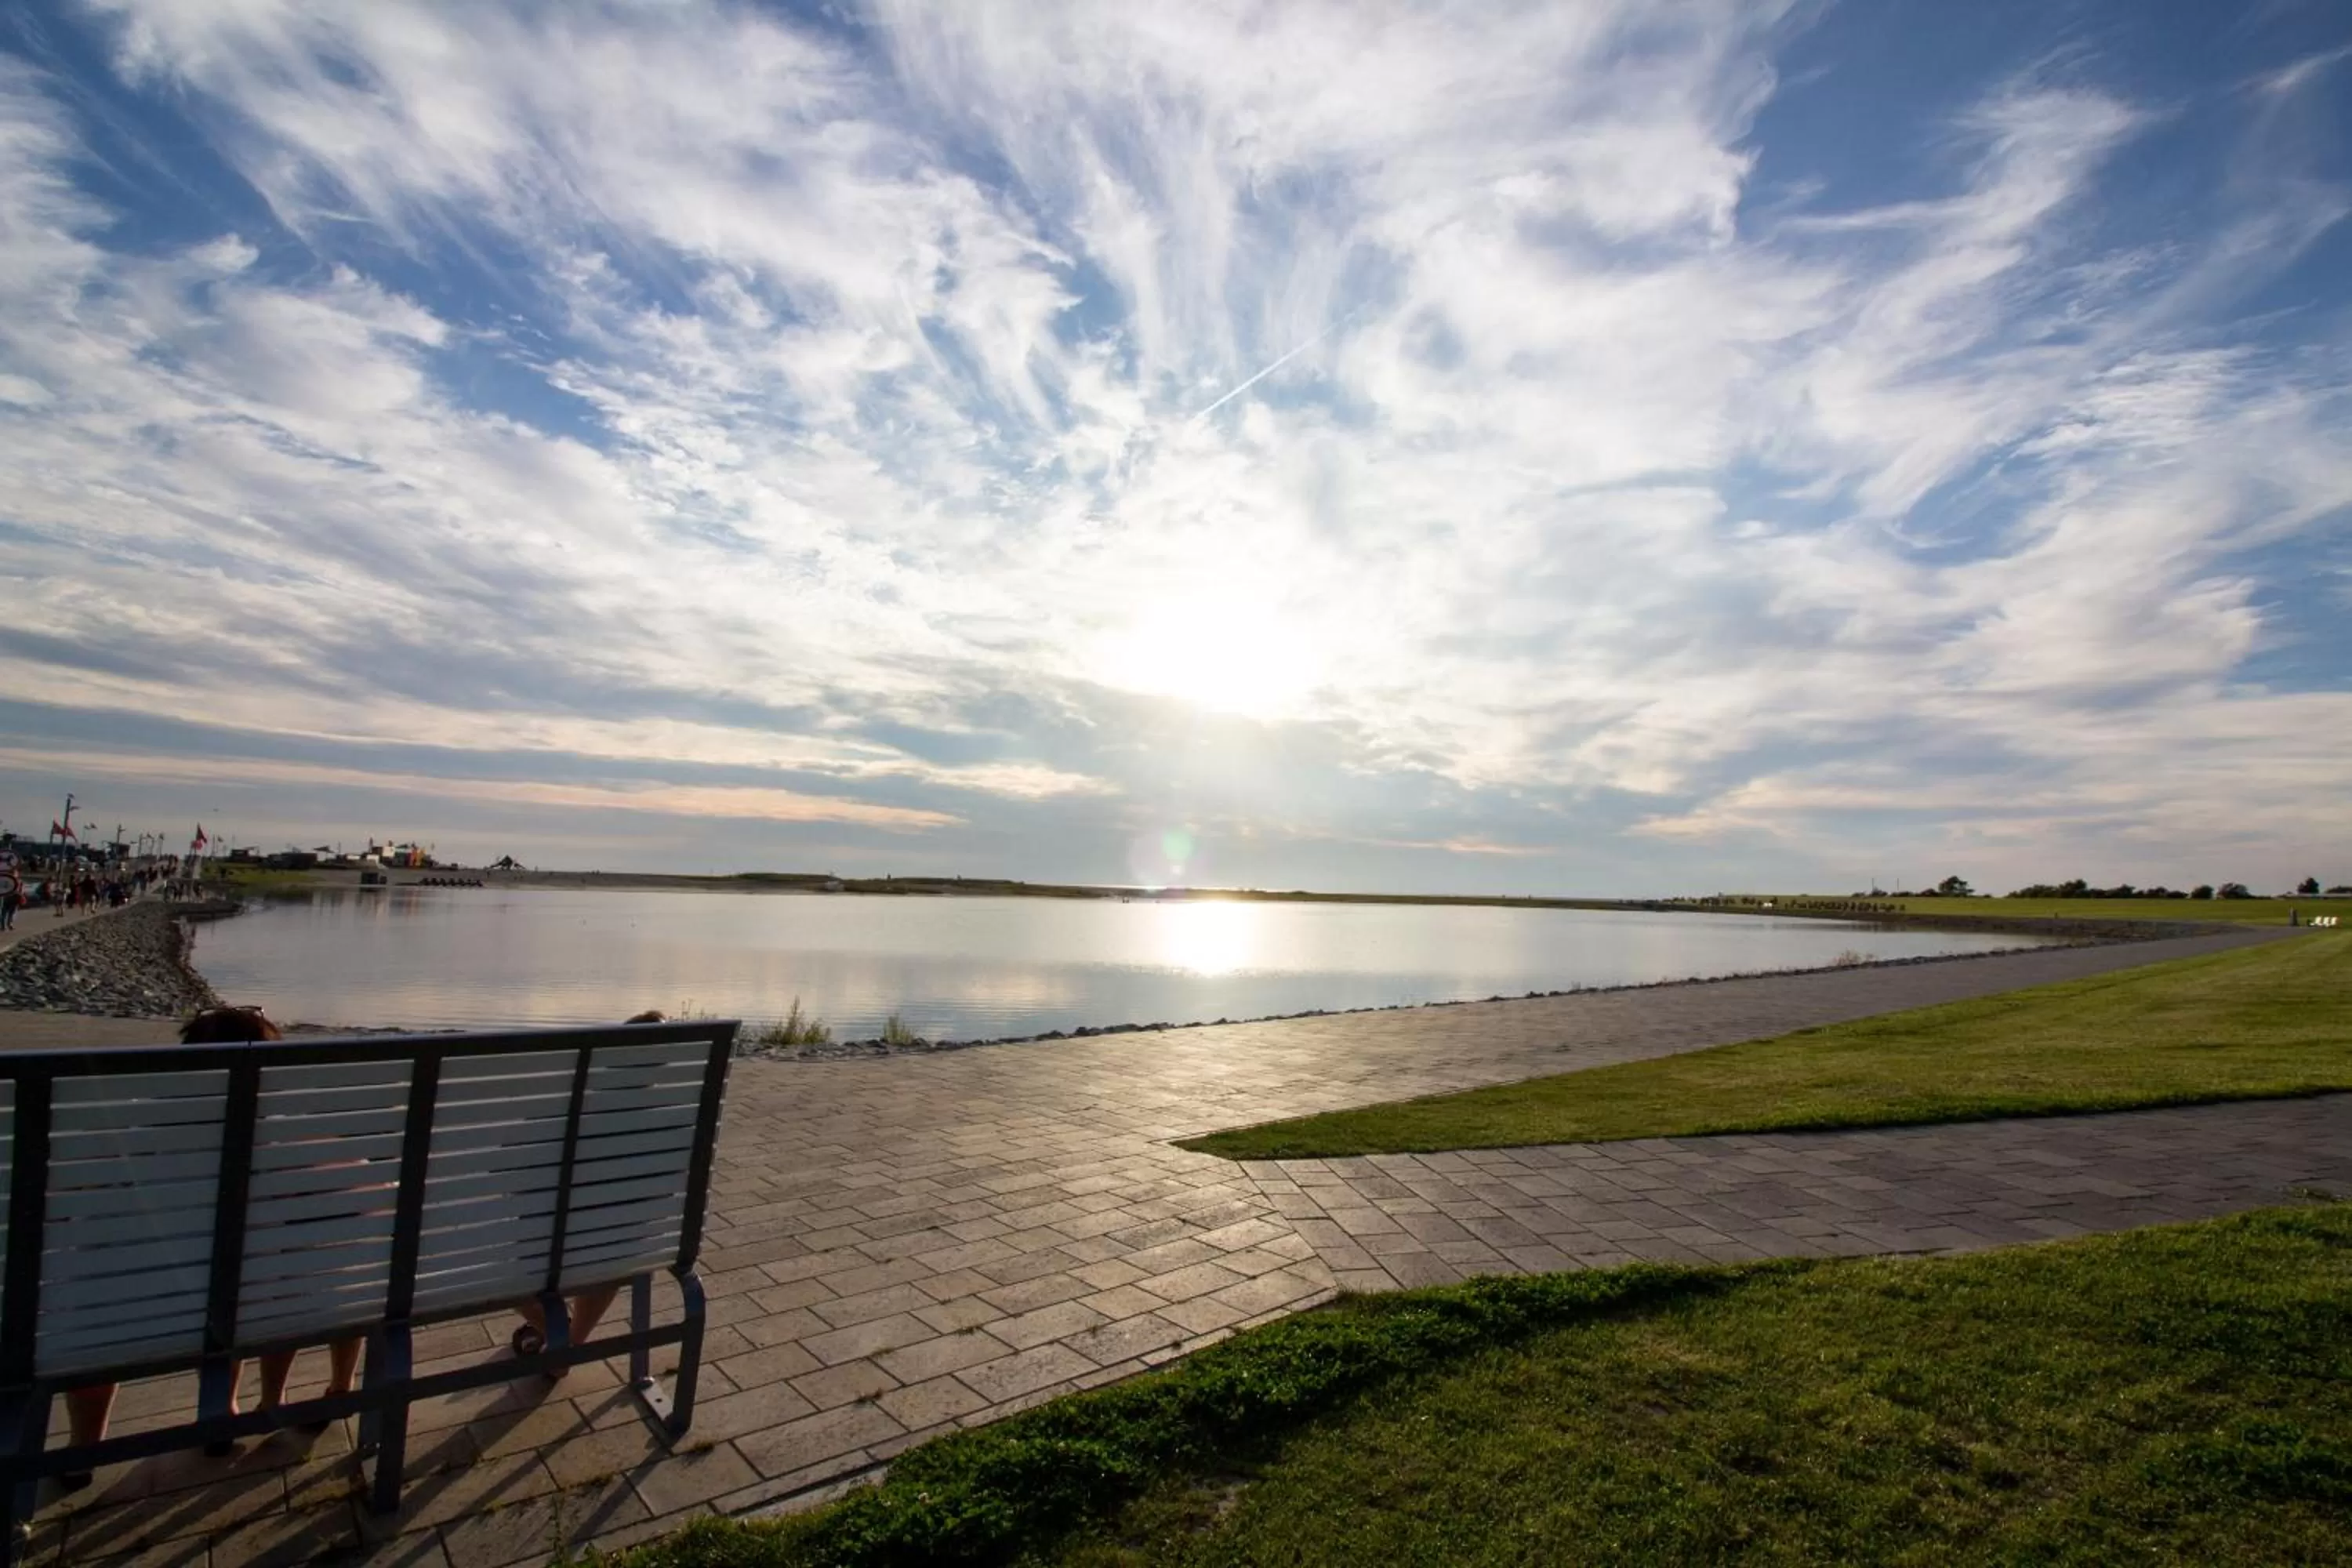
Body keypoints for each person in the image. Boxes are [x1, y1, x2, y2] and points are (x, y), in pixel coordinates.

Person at [60, 1007, 366, 1489]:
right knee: (283, 1276)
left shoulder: (129, 1149)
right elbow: (369, 1189)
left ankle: (83, 1449)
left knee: (94, 1300)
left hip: (129, 1322)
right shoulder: (292, 1148)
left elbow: (79, 1229)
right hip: (260, 1310)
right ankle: (263, 1402)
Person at [508, 1009, 671, 1364]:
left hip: (546, 1251)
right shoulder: (676, 1121)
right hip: (628, 1247)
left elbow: (514, 1182)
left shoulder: (561, 1113)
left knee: (500, 1263)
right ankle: (570, 1345)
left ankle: (558, 1336)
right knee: (614, 1238)